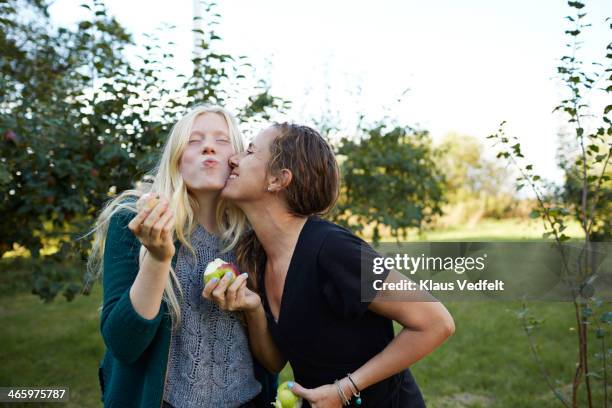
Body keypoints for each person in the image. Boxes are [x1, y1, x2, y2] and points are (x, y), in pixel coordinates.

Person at [207, 122, 455, 407]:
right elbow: (274, 361)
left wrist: (344, 389)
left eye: (250, 152)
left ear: (278, 180)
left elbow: (436, 323)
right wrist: (253, 309)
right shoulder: (259, 258)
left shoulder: (335, 251)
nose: (234, 159)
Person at [87, 105, 278, 408]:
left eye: (222, 139)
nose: (209, 146)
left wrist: (251, 309)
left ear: (237, 160)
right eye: (194, 140)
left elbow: (274, 359)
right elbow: (124, 345)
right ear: (176, 159)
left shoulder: (255, 235)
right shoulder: (135, 222)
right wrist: (158, 259)